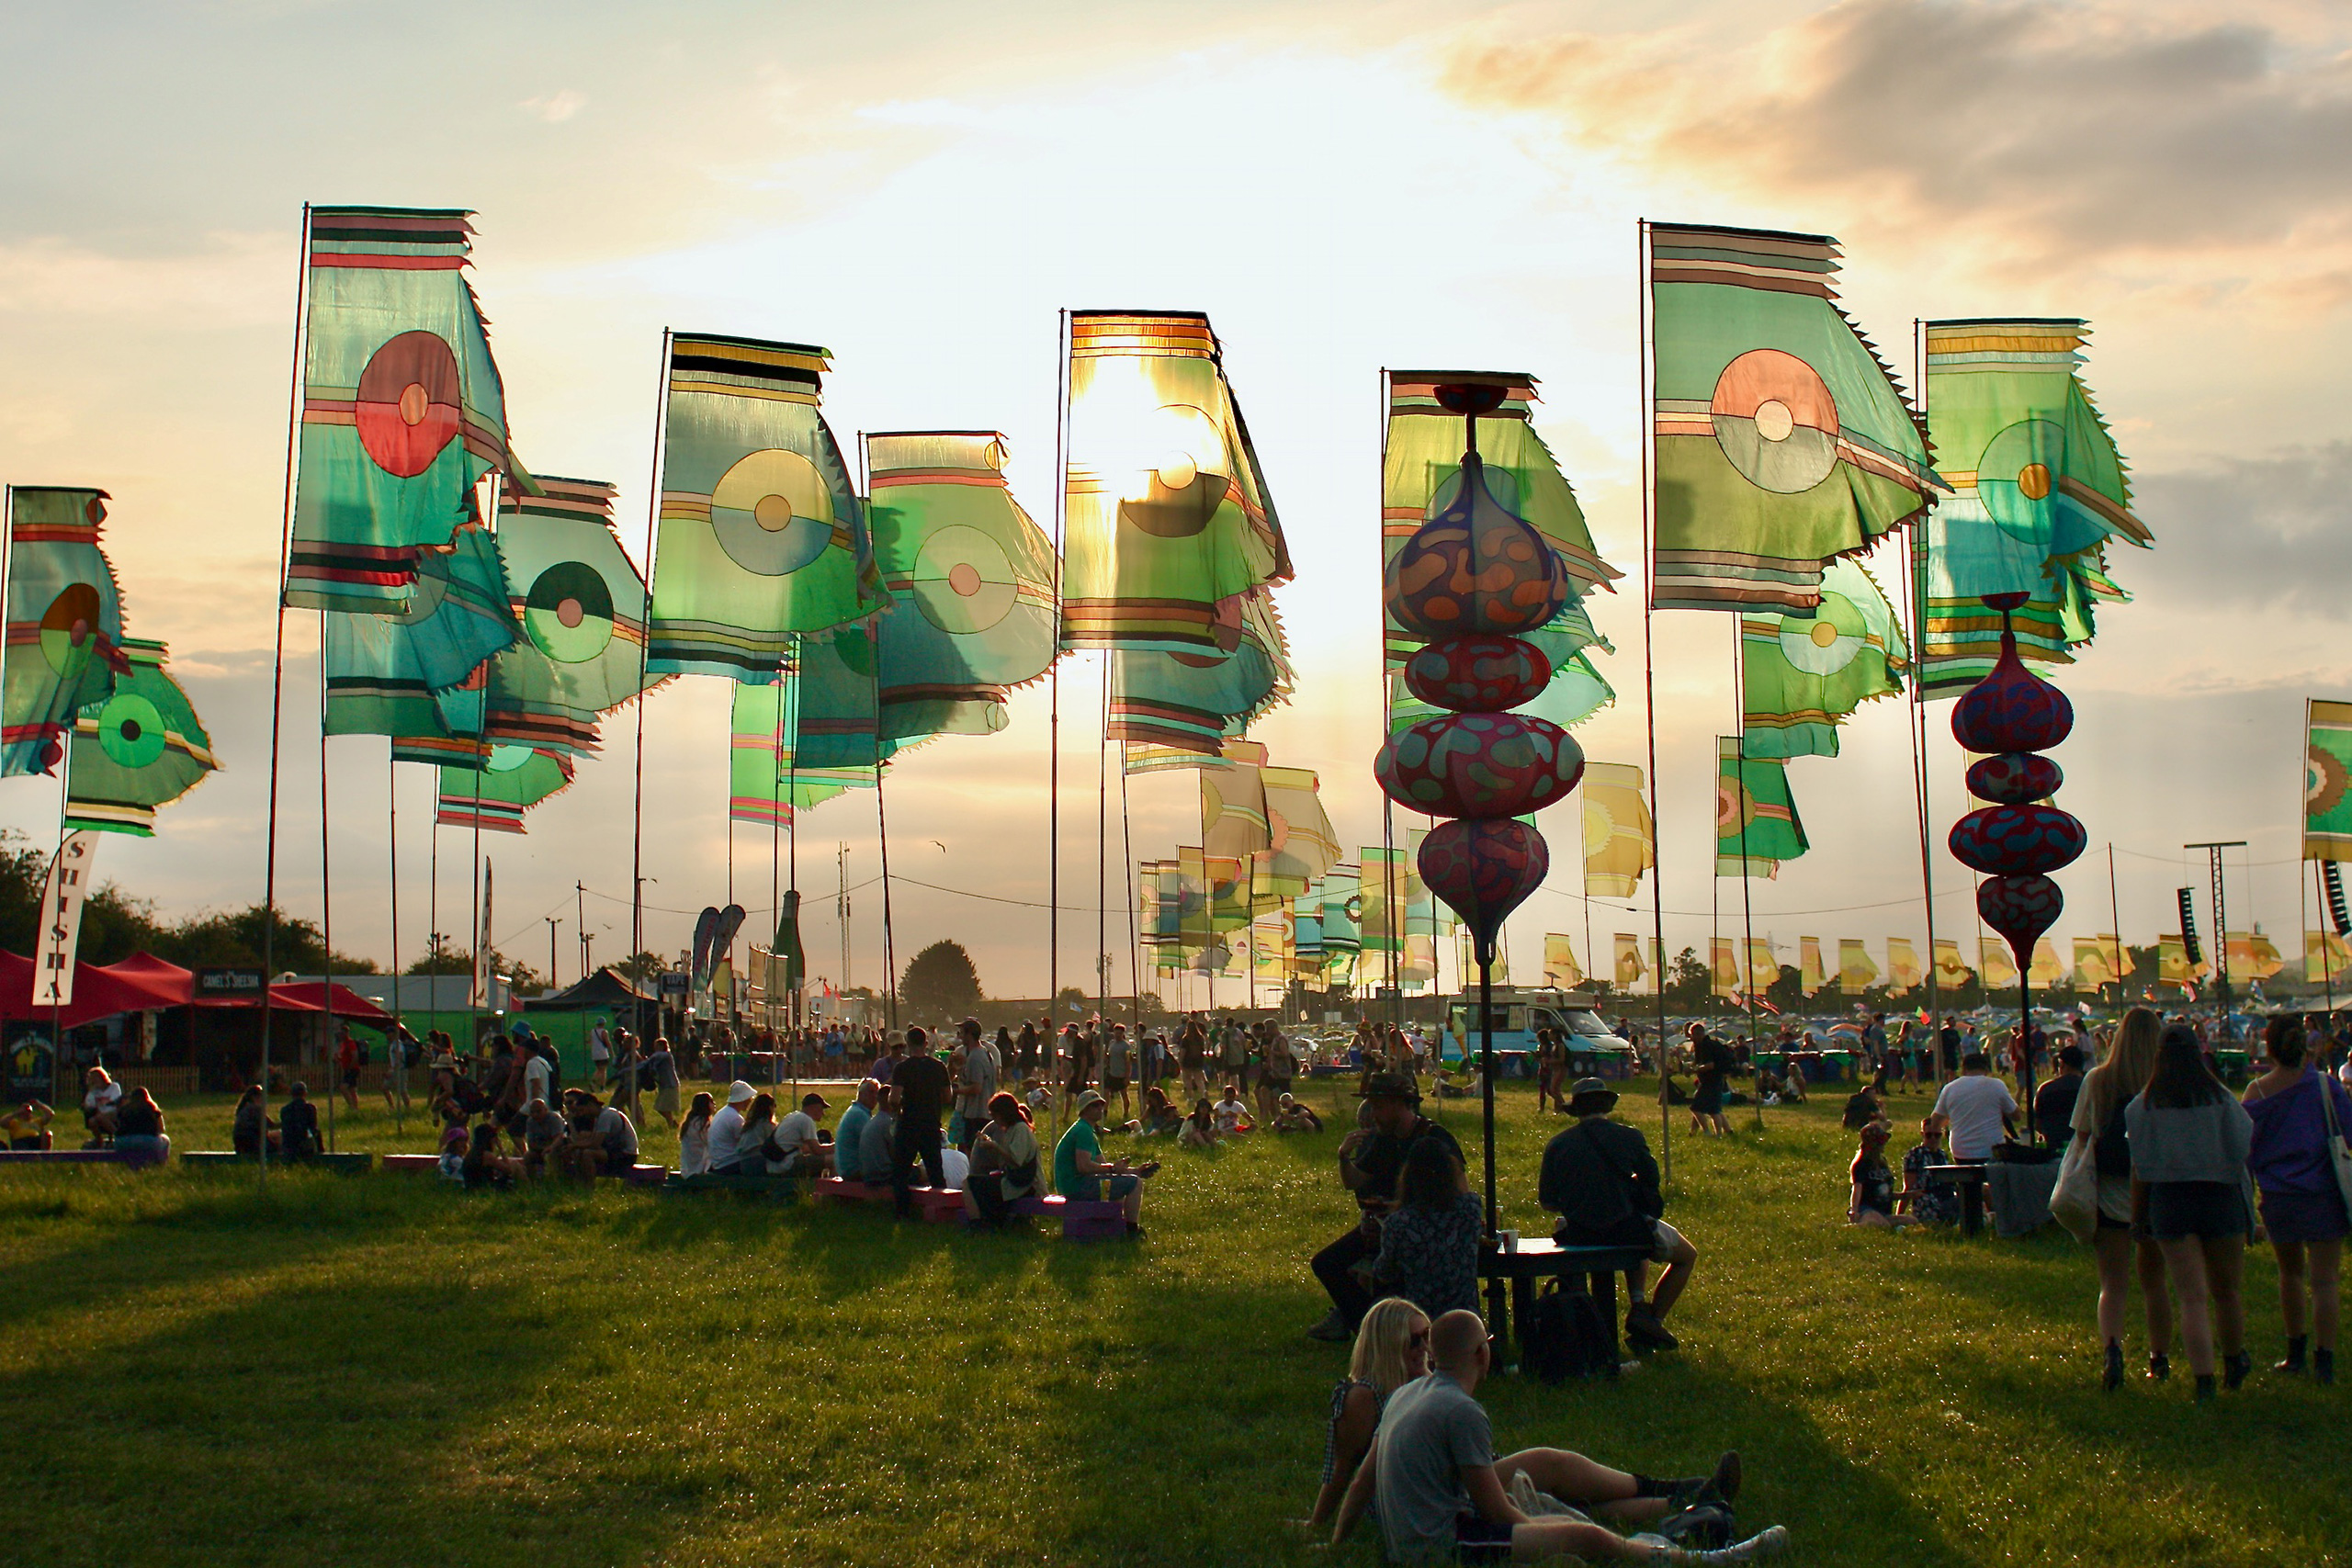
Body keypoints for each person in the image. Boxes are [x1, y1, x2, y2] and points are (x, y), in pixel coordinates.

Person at [1331, 1310, 1781, 1565]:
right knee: (1583, 1537)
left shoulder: (1409, 1394)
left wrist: (1334, 1541)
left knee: (1572, 1522)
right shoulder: (1461, 1410)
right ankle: (1712, 1560)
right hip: (1438, 1551)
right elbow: (1494, 1511)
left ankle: (1679, 1521)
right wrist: (1556, 1533)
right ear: (1482, 1353)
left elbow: (1361, 1481)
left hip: (1414, 1539)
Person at [2130, 1021, 2258, 1400]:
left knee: (2191, 1297)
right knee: (2227, 1291)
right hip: (2219, 1196)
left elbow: (2140, 1167)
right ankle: (2234, 1362)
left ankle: (2203, 1380)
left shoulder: (2144, 1105)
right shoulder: (2219, 1098)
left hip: (2169, 1200)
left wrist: (2139, 1217)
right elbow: (2242, 1146)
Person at [1310, 1069, 1466, 1342]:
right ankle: (1366, 1330)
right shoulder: (1383, 1139)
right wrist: (1343, 1158)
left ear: (1398, 1103)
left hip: (1426, 1231)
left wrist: (1400, 1210)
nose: (1373, 1114)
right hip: (1387, 1227)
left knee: (1389, 1272)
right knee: (1326, 1263)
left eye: (1378, 1106)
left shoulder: (1433, 1138)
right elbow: (1355, 1181)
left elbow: (1461, 1194)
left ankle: (1375, 1330)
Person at [1540, 1077, 1693, 1353]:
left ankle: (1634, 1312)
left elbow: (1548, 1201)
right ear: (1607, 1105)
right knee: (1685, 1256)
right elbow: (1651, 1179)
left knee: (1636, 1235)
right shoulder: (1630, 1136)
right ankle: (1648, 1316)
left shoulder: (1558, 1144)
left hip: (1579, 1233)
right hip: (1627, 1228)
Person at [2243, 1015, 2352, 1382]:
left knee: (2290, 1274)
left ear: (2268, 1048)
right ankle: (2325, 1359)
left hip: (2280, 1197)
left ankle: (2295, 1351)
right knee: (2325, 1281)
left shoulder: (2256, 1094)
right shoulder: (2325, 1087)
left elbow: (2246, 1150)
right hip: (2325, 1192)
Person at [1307, 1296, 1431, 1531]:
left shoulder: (1428, 1384)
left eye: (1427, 1336)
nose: (1424, 1347)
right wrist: (1317, 1522)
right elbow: (1343, 1468)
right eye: (1414, 1340)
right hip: (1404, 1504)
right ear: (1389, 1345)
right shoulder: (1365, 1397)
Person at [1373, 1140, 1484, 1318]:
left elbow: (1384, 1273)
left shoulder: (1399, 1223)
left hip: (1421, 1319)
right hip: (1466, 1315)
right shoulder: (1471, 1208)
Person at [1054, 1090, 1157, 1236]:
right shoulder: (1083, 1131)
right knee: (1135, 1184)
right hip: (1076, 1187)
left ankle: (1114, 1226)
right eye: (1095, 1105)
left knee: (1126, 1181)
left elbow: (1105, 1167)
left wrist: (1135, 1171)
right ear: (1084, 1109)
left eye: (1101, 1105)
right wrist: (1114, 1169)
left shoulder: (1086, 1130)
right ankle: (1131, 1230)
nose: (1100, 1108)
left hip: (1073, 1185)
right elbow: (1083, 1167)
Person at [891, 1026, 951, 1217]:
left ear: (908, 1044)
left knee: (901, 1171)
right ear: (926, 1043)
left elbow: (894, 1098)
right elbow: (948, 1096)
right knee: (935, 1170)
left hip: (908, 1123)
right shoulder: (938, 1066)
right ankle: (941, 1209)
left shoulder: (902, 1068)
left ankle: (902, 1212)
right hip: (931, 1124)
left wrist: (899, 1108)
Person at [963, 1091, 1042, 1226]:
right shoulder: (1011, 1130)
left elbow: (1016, 1160)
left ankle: (977, 1224)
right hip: (1015, 1181)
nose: (994, 1119)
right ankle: (988, 1222)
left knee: (969, 1184)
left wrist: (995, 1146)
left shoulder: (1021, 1129)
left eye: (994, 1115)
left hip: (1023, 1184)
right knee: (978, 1184)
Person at [1930, 1051, 2018, 1161]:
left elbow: (1935, 1122)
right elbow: (2016, 1116)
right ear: (1986, 1070)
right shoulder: (1997, 1085)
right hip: (1992, 1150)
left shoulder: (1950, 1088)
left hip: (1961, 1152)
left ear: (1963, 1070)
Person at [1899, 1114, 1961, 1228]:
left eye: (1937, 1135)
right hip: (1927, 1200)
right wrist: (1899, 1215)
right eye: (1929, 1135)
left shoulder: (1942, 1155)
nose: (1933, 1139)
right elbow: (1908, 1187)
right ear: (1922, 1135)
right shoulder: (1915, 1155)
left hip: (1947, 1197)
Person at [1848, 1122, 1911, 1229]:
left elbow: (1885, 1193)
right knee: (1881, 1225)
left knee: (1912, 1221)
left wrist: (1906, 1195)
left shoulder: (1883, 1162)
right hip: (1867, 1209)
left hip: (1883, 1211)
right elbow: (1857, 1189)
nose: (1884, 1144)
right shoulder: (1861, 1164)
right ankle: (1842, 1228)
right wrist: (1854, 1210)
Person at [954, 1018, 998, 1153]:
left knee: (972, 1151)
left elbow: (976, 1088)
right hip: (984, 1112)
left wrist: (956, 1091)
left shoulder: (975, 1057)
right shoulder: (985, 1052)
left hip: (976, 1114)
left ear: (969, 1034)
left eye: (962, 1032)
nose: (960, 1036)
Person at [766, 1091, 832, 1178]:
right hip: (787, 1165)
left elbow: (807, 1149)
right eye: (821, 1109)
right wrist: (838, 1146)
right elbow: (818, 1150)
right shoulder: (806, 1120)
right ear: (813, 1107)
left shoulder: (792, 1116)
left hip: (775, 1166)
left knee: (816, 1160)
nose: (823, 1113)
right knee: (834, 1160)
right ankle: (834, 1190)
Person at [2034, 1043, 2086, 1147]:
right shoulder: (2090, 1087)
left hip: (2054, 1146)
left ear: (2062, 1065)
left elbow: (2037, 1124)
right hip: (2084, 1146)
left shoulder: (2045, 1089)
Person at [1687, 1024, 1732, 1136]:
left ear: (1698, 1034)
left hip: (1710, 1081)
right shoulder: (1710, 1044)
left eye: (1692, 1035)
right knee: (1714, 1110)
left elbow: (1709, 1065)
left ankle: (1707, 1132)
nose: (1691, 1038)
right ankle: (1723, 1133)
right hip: (1716, 1080)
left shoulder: (1705, 1046)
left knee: (1696, 1108)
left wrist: (1694, 1070)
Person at [110, 1086, 169, 1161]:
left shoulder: (124, 1110)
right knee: (166, 1140)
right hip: (147, 1141)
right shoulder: (153, 1110)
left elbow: (119, 1127)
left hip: (123, 1142)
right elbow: (161, 1129)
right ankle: (160, 1162)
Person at [708, 1080, 753, 1173]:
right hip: (728, 1164)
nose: (751, 1101)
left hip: (717, 1162)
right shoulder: (735, 1119)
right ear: (743, 1099)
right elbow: (744, 1144)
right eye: (750, 1098)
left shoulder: (722, 1113)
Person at [462, 1122, 524, 1190]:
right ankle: (527, 1188)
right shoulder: (487, 1155)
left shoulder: (471, 1153)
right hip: (486, 1188)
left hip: (472, 1187)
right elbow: (508, 1170)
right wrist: (501, 1149)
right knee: (515, 1164)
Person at [518, 1097, 567, 1179]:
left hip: (557, 1146)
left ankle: (554, 1178)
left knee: (550, 1155)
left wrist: (550, 1148)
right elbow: (531, 1142)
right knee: (527, 1156)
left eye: (539, 1111)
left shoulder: (554, 1118)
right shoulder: (530, 1122)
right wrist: (541, 1148)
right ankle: (532, 1180)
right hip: (540, 1148)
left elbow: (559, 1137)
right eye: (532, 1112)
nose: (535, 1115)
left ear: (546, 1110)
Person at [861, 1086, 900, 1186]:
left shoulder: (872, 1122)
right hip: (883, 1176)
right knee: (924, 1173)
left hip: (868, 1175)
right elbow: (897, 1154)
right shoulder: (888, 1123)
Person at [643, 1037, 682, 1131]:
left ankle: (671, 1124)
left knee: (662, 1107)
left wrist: (645, 1060)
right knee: (660, 1107)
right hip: (664, 1085)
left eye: (657, 1046)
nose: (655, 1048)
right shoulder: (658, 1057)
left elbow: (656, 1056)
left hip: (670, 1084)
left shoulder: (666, 1055)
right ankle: (672, 1123)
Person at [280, 1082, 323, 1160]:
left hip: (288, 1145)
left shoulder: (285, 1109)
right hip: (303, 1144)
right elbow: (313, 1127)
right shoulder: (309, 1108)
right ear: (305, 1093)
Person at [1100, 1022, 1133, 1122]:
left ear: (1122, 1033)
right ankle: (1104, 1111)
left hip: (1121, 1074)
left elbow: (1128, 1062)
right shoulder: (1111, 1043)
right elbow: (1108, 1055)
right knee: (1106, 1092)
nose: (1117, 1035)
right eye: (1116, 1033)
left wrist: (1127, 1076)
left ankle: (1126, 1112)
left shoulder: (1126, 1046)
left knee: (1124, 1094)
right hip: (1111, 1073)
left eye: (1119, 1033)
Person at [677, 1090, 716, 1177]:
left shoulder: (689, 1122)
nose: (714, 1104)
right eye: (711, 1101)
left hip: (687, 1165)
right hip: (700, 1164)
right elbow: (711, 1143)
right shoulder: (703, 1124)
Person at [229, 1087, 276, 1158]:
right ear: (255, 1097)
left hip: (240, 1145)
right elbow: (271, 1125)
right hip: (253, 1144)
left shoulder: (244, 1109)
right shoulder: (255, 1109)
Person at [81, 1066, 122, 1145]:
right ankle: (99, 1141)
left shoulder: (114, 1087)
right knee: (92, 1122)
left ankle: (118, 1136)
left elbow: (115, 1100)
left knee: (100, 1117)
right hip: (100, 1114)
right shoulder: (94, 1091)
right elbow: (89, 1105)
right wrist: (91, 1091)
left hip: (114, 1112)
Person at [335, 1022, 363, 1111]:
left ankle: (351, 1106)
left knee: (343, 1088)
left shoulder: (350, 1043)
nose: (341, 1035)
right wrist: (338, 1059)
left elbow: (355, 1056)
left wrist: (350, 1067)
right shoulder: (343, 1044)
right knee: (352, 1089)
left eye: (342, 1033)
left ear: (346, 1033)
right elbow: (344, 1057)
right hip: (347, 1068)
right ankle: (355, 1107)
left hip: (352, 1069)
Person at [590, 1016, 612, 1088]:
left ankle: (594, 1083)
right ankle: (599, 1085)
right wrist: (612, 1052)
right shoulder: (604, 1032)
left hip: (595, 1053)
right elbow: (607, 1042)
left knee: (599, 1069)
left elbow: (591, 1041)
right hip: (603, 1053)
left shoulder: (593, 1031)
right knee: (603, 1070)